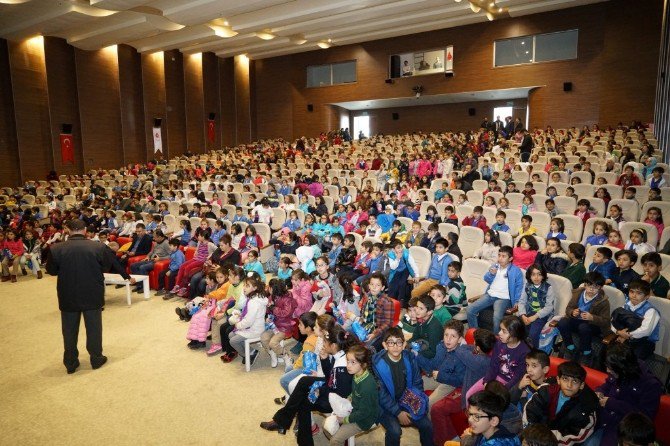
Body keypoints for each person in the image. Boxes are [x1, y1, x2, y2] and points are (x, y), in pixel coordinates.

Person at [46, 219, 134, 374]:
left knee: (69, 330)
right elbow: (107, 267)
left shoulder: (56, 248)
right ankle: (96, 358)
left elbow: (52, 271)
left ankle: (71, 363)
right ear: (85, 230)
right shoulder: (99, 247)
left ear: (68, 230)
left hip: (68, 294)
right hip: (92, 292)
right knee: (94, 328)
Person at [591, 343, 663, 446]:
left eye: (611, 368)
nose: (607, 371)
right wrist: (599, 391)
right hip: (603, 419)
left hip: (623, 430)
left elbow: (645, 417)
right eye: (607, 366)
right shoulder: (619, 373)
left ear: (623, 368)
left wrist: (611, 403)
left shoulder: (651, 385)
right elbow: (608, 384)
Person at [373, 326, 433, 446]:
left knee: (427, 425)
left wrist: (414, 403)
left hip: (408, 400)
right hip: (386, 407)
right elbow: (381, 394)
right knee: (395, 431)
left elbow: (417, 382)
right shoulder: (377, 364)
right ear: (385, 345)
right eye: (391, 343)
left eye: (399, 342)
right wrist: (398, 412)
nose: (395, 346)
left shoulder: (410, 359)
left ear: (404, 343)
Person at [522, 361, 599, 446]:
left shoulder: (587, 408)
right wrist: (533, 436)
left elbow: (574, 437)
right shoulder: (546, 390)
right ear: (558, 380)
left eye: (575, 381)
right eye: (565, 379)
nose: (569, 385)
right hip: (536, 435)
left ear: (581, 385)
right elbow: (530, 412)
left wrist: (545, 441)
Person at [325, 343, 378, 445]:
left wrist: (344, 419)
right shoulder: (356, 374)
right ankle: (344, 440)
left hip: (364, 420)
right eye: (347, 361)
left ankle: (341, 438)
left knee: (334, 440)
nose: (348, 365)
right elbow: (355, 392)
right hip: (354, 410)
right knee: (327, 426)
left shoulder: (368, 386)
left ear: (363, 364)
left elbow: (364, 412)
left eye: (353, 362)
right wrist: (349, 397)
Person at [467, 315, 531, 399]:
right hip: (496, 378)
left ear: (514, 334)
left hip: (511, 384)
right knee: (469, 396)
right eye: (500, 329)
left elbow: (517, 377)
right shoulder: (499, 344)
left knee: (491, 402)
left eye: (504, 331)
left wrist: (503, 389)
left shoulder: (525, 352)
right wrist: (487, 381)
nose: (499, 333)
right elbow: (493, 366)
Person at [557, 272, 611, 365]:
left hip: (592, 326)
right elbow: (568, 309)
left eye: (596, 287)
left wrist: (592, 317)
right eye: (589, 286)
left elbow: (606, 321)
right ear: (585, 285)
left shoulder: (603, 301)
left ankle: (586, 352)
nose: (591, 289)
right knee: (562, 322)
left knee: (583, 327)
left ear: (601, 287)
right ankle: (570, 347)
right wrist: (572, 312)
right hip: (576, 321)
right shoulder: (577, 293)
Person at [467, 246, 524, 333]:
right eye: (499, 255)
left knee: (497, 317)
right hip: (490, 295)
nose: (500, 258)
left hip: (504, 298)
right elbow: (486, 278)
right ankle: (475, 333)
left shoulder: (516, 271)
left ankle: (496, 338)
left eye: (503, 256)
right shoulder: (495, 266)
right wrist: (491, 274)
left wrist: (517, 301)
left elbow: (519, 287)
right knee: (470, 309)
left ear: (510, 258)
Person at [517, 265, 556, 348]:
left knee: (533, 334)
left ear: (543, 276)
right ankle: (522, 350)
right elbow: (521, 302)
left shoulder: (548, 288)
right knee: (517, 328)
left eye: (539, 274)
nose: (536, 277)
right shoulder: (527, 285)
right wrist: (523, 315)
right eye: (533, 274)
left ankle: (534, 353)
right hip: (528, 312)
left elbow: (549, 307)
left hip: (542, 315)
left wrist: (535, 316)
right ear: (529, 276)